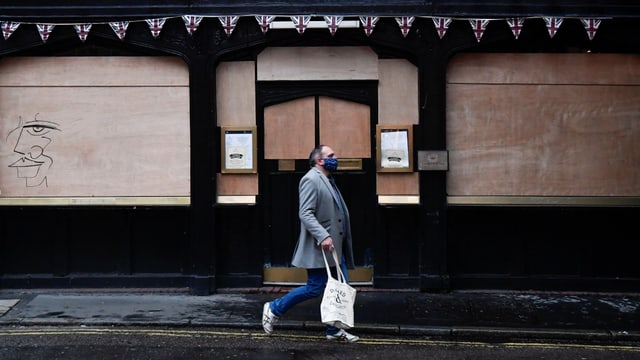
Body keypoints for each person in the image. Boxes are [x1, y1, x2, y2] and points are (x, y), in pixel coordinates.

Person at [262, 144, 359, 343]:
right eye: (331, 155)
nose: (336, 158)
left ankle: (334, 330)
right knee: (315, 287)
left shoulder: (327, 179)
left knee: (341, 288)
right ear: (319, 160)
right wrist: (323, 235)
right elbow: (305, 213)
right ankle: (274, 308)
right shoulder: (311, 179)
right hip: (322, 247)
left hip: (335, 246)